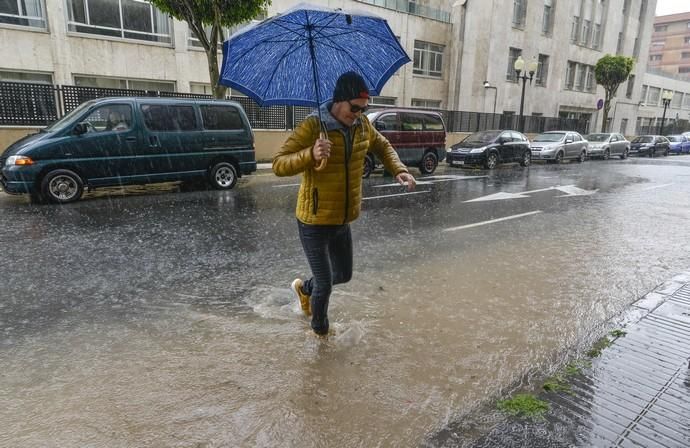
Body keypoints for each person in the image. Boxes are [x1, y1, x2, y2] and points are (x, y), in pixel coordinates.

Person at [272, 71, 416, 336]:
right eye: (355, 108)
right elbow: (279, 164)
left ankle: (304, 289)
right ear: (339, 101)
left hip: (342, 218)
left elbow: (382, 145)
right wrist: (309, 154)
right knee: (325, 284)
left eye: (365, 109)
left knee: (344, 275)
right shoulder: (313, 126)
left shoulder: (362, 126)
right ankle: (320, 335)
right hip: (313, 220)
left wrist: (398, 169)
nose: (359, 113)